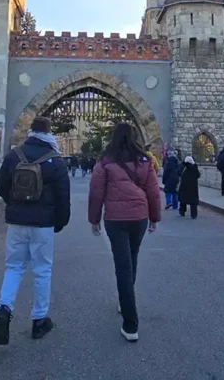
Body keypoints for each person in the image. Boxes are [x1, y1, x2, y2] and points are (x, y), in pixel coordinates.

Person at [0, 117, 70, 345]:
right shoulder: (55, 161)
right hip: (43, 225)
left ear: (31, 131)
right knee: (42, 270)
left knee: (14, 267)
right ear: (49, 133)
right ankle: (39, 320)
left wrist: (14, 205)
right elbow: (63, 197)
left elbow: (1, 186)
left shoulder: (14, 156)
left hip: (17, 223)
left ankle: (4, 309)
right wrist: (60, 222)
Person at [89, 123, 162, 342]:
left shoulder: (105, 161)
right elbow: (153, 191)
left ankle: (130, 324)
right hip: (139, 217)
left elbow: (96, 192)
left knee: (123, 267)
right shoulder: (145, 161)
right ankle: (125, 301)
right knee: (132, 259)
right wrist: (154, 217)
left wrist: (94, 220)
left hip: (116, 219)